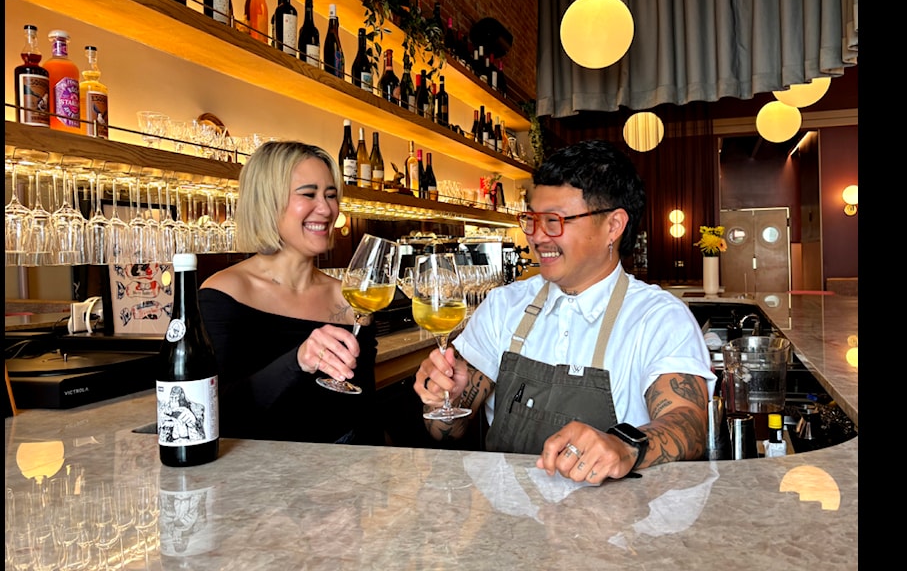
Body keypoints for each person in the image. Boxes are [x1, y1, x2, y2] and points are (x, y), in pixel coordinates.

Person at [414, 140, 715, 484]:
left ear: (613, 226)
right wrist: (441, 398)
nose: (537, 237)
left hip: (614, 517)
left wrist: (624, 446)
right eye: (532, 219)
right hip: (505, 517)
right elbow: (445, 432)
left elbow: (688, 426)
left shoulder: (658, 317)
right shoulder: (502, 307)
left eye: (554, 221)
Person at [199, 140, 381, 445]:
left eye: (331, 195)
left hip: (346, 470)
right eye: (309, 194)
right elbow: (214, 412)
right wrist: (296, 362)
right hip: (261, 472)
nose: (326, 209)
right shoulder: (223, 294)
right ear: (267, 202)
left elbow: (364, 412)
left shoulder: (349, 299)